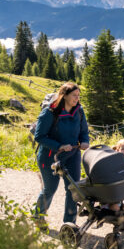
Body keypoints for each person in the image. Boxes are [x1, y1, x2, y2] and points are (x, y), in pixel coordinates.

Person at [34, 82, 90, 228]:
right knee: (50, 188)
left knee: (73, 189)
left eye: (78, 95)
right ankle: (38, 217)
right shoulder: (49, 113)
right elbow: (39, 136)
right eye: (74, 95)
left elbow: (84, 131)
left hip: (72, 155)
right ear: (64, 95)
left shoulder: (79, 111)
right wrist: (59, 146)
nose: (77, 98)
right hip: (50, 157)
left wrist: (84, 141)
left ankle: (69, 224)